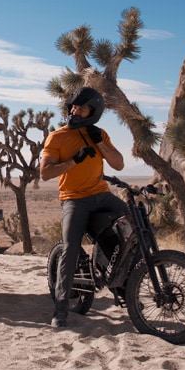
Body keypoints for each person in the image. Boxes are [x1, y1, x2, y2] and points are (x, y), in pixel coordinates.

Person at [39, 87, 127, 328]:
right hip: (74, 199)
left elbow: (118, 164)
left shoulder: (99, 134)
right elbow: (45, 173)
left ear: (93, 112)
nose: (75, 112)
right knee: (69, 249)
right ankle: (60, 310)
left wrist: (100, 143)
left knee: (133, 227)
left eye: (81, 108)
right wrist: (73, 160)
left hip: (102, 195)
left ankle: (124, 284)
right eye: (73, 107)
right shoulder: (56, 137)